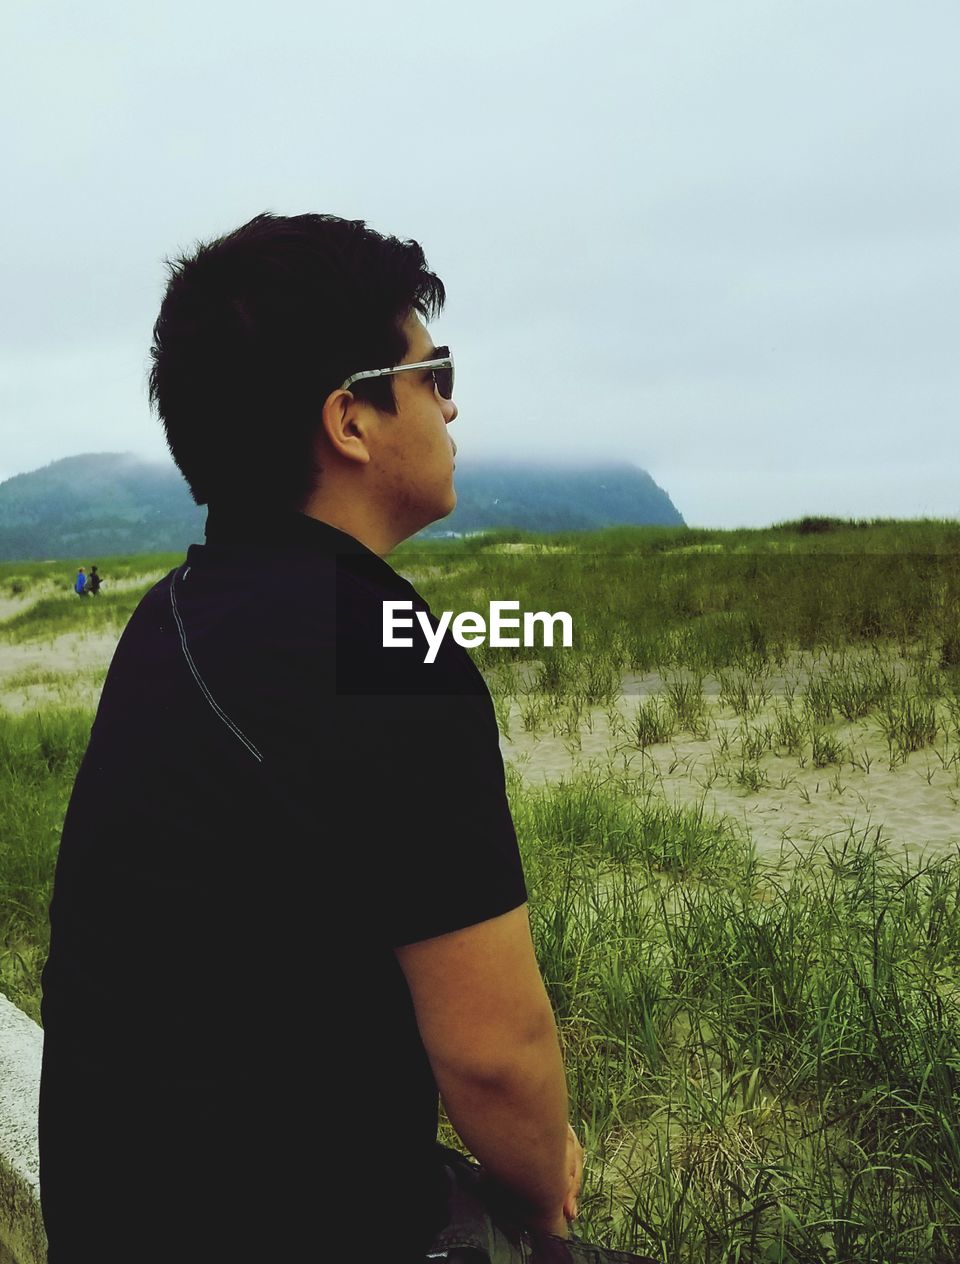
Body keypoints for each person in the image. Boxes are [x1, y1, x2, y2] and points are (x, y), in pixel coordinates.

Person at [39, 213, 583, 1263]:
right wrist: (547, 1182)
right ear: (352, 419)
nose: (454, 402)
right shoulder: (389, 652)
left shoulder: (170, 617)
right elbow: (496, 1058)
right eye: (434, 373)